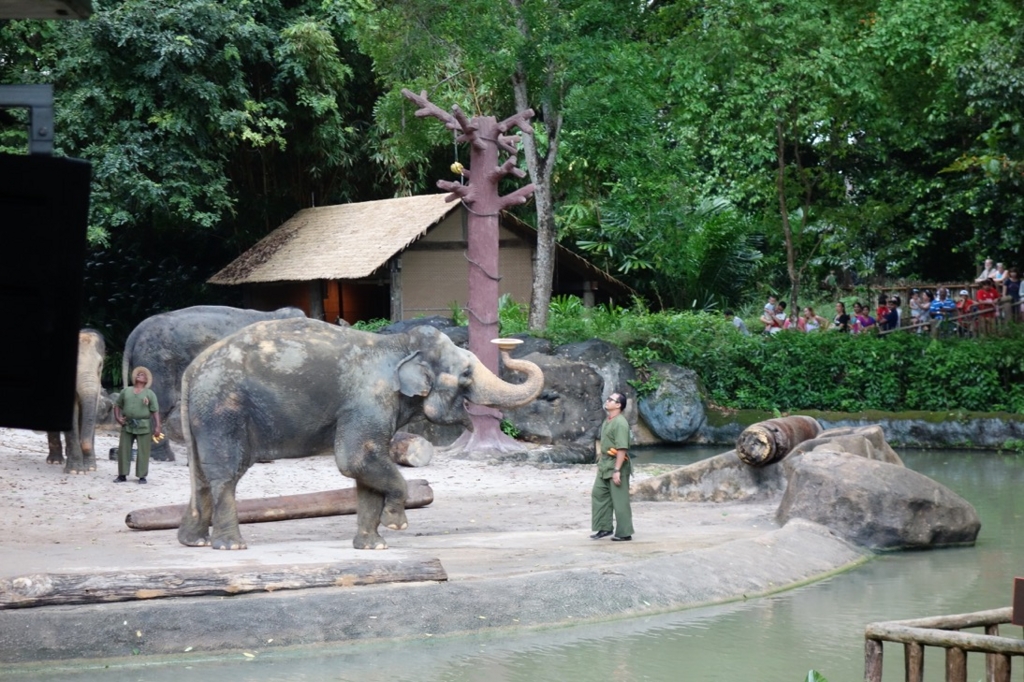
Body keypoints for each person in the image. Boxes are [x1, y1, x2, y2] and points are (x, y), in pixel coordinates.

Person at [591, 392, 633, 542]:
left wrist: (617, 470)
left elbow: (622, 448)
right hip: (605, 464)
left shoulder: (621, 423)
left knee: (619, 500)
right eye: (608, 399)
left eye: (611, 400)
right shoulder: (608, 420)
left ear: (618, 405)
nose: (607, 401)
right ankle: (604, 527)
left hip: (616, 465)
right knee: (599, 494)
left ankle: (624, 532)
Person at [113, 366, 161, 484]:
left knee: (143, 451)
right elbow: (117, 405)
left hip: (144, 426)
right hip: (127, 424)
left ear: (146, 380)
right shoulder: (126, 391)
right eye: (138, 374)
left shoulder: (150, 394)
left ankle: (142, 476)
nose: (140, 375)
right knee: (124, 449)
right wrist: (118, 418)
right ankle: (122, 475)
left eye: (143, 375)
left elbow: (155, 410)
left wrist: (157, 426)